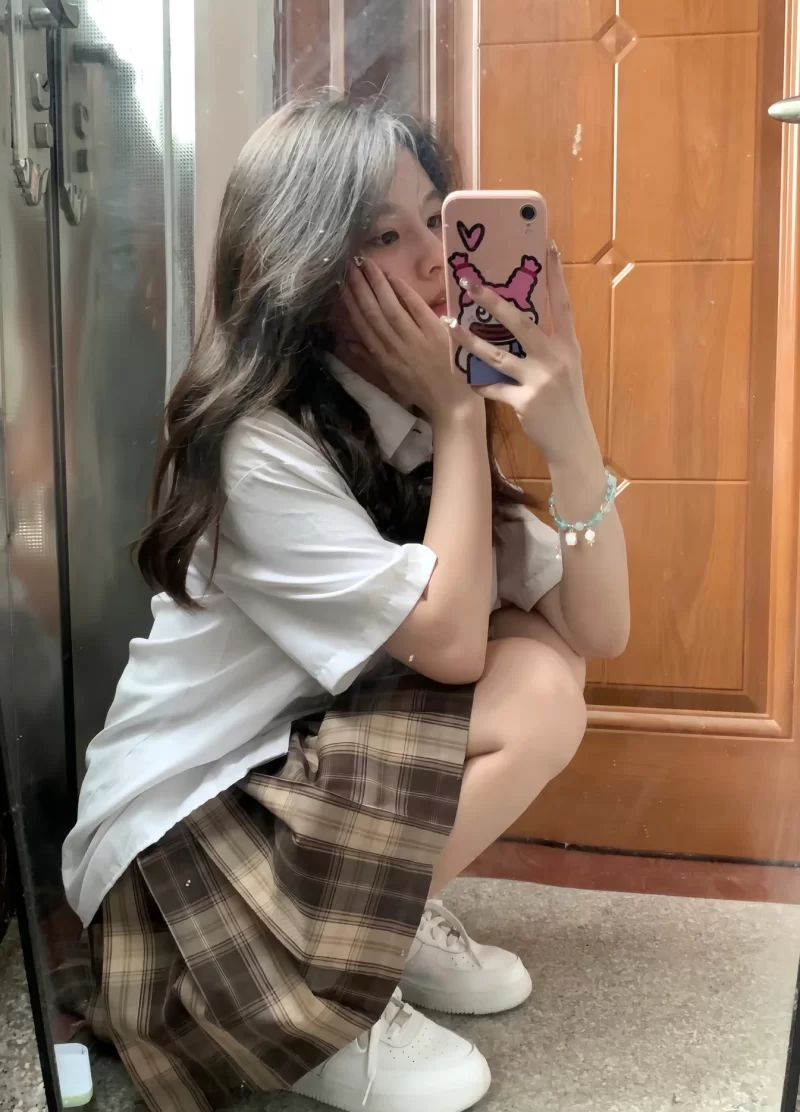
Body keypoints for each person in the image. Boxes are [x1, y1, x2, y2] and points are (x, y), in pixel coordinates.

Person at [62, 92, 629, 1112]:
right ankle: (321, 997)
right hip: (177, 853)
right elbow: (451, 648)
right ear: (307, 269)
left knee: (543, 663)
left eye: (437, 218)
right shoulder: (259, 446)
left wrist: (571, 428)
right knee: (522, 685)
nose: (434, 258)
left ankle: (374, 927)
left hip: (285, 788)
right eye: (383, 234)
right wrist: (459, 415)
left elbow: (597, 628)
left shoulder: (401, 420)